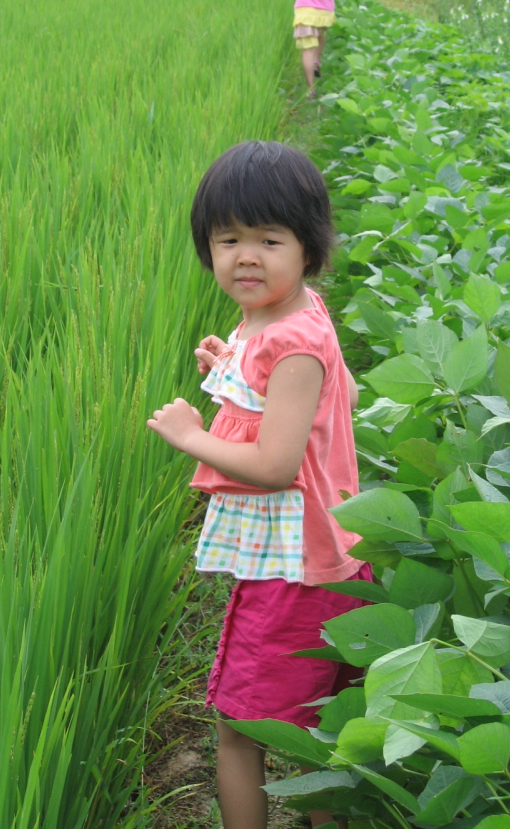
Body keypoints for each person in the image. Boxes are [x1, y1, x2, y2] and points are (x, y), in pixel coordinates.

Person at [147, 141, 371, 829]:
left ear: (310, 248)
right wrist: (234, 368)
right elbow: (346, 393)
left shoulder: (289, 339)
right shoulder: (287, 313)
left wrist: (193, 436)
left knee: (242, 733)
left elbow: (276, 465)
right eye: (227, 240)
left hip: (293, 572)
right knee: (320, 727)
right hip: (326, 554)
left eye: (268, 239)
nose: (246, 256)